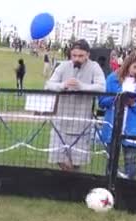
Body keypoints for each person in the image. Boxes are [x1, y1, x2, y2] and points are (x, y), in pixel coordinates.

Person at [44, 39, 106, 172]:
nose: (77, 59)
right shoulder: (63, 66)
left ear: (88, 55)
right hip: (61, 122)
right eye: (74, 55)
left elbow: (102, 87)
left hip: (81, 123)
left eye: (81, 56)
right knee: (59, 159)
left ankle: (71, 188)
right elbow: (48, 85)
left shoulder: (94, 67)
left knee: (77, 162)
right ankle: (72, 184)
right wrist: (62, 85)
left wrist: (82, 86)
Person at [99, 49, 136, 180]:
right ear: (128, 63)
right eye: (134, 67)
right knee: (111, 162)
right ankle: (108, 187)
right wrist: (116, 99)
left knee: (131, 162)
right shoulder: (113, 78)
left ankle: (129, 189)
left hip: (133, 129)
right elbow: (102, 101)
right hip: (112, 127)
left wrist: (134, 104)